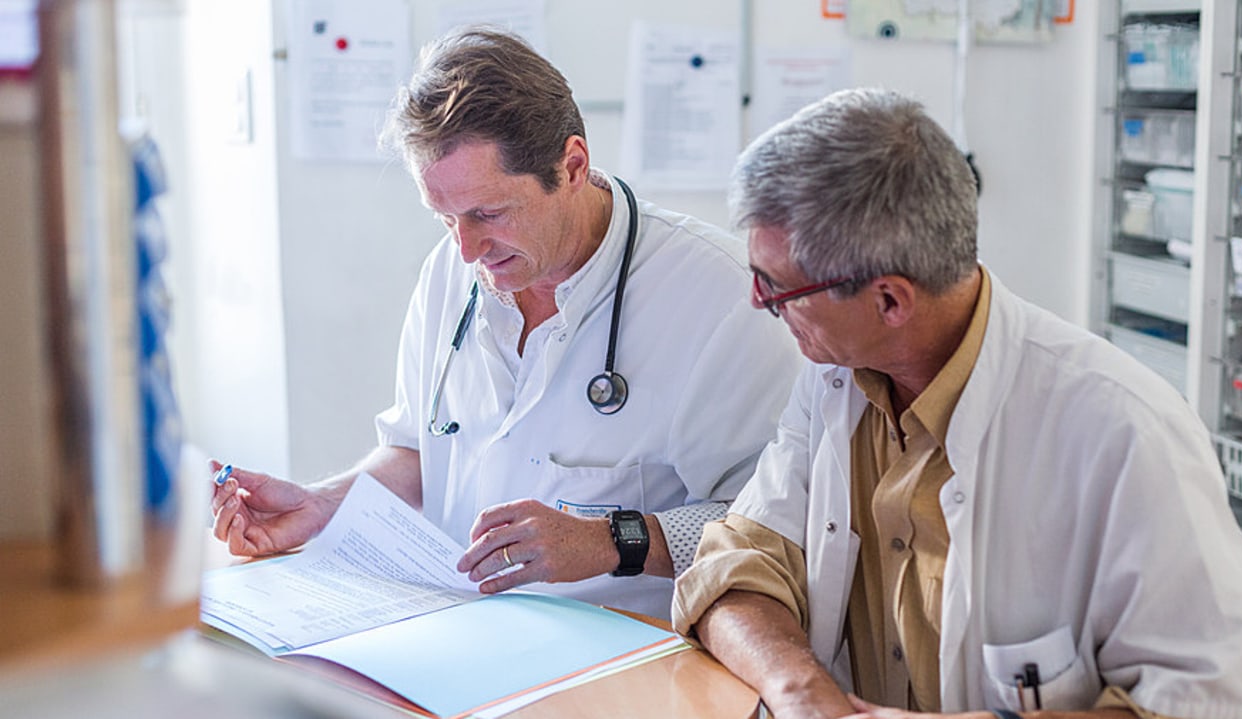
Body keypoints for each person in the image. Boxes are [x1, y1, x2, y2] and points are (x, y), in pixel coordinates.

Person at [672, 87, 1242, 718]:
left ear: (890, 301)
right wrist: (803, 693)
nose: (756, 302)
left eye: (778, 288)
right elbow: (736, 564)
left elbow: (1219, 703)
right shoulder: (835, 379)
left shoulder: (1125, 430)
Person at [208, 27, 801, 621]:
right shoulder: (454, 268)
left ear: (572, 166)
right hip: (465, 636)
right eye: (444, 219)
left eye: (488, 213)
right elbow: (422, 450)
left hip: (633, 658)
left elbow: (774, 524)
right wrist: (321, 504)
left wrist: (609, 541)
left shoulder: (720, 299)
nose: (466, 249)